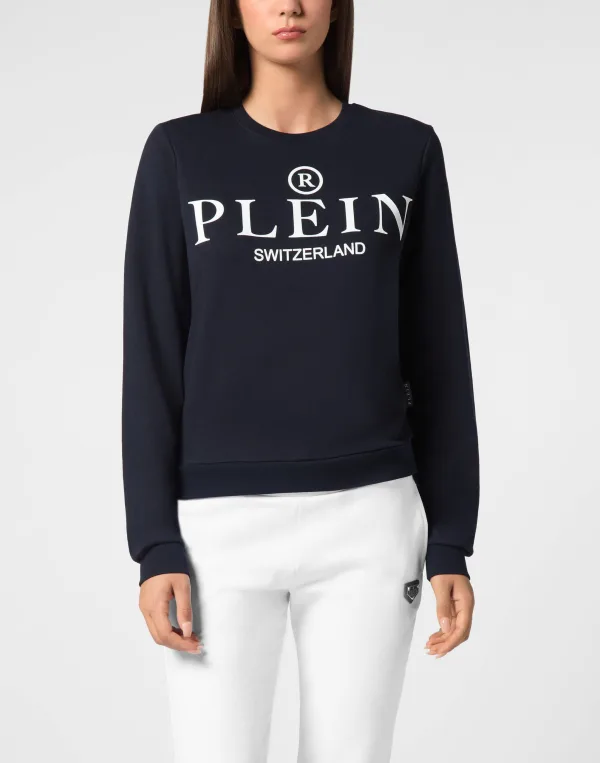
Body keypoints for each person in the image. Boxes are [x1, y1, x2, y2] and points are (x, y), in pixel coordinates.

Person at [121, 1, 479, 761]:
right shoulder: (181, 154)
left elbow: (439, 354)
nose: (289, 4)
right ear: (232, 10)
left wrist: (451, 539)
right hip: (216, 533)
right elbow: (151, 356)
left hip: (370, 522)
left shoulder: (405, 150)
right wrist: (154, 542)